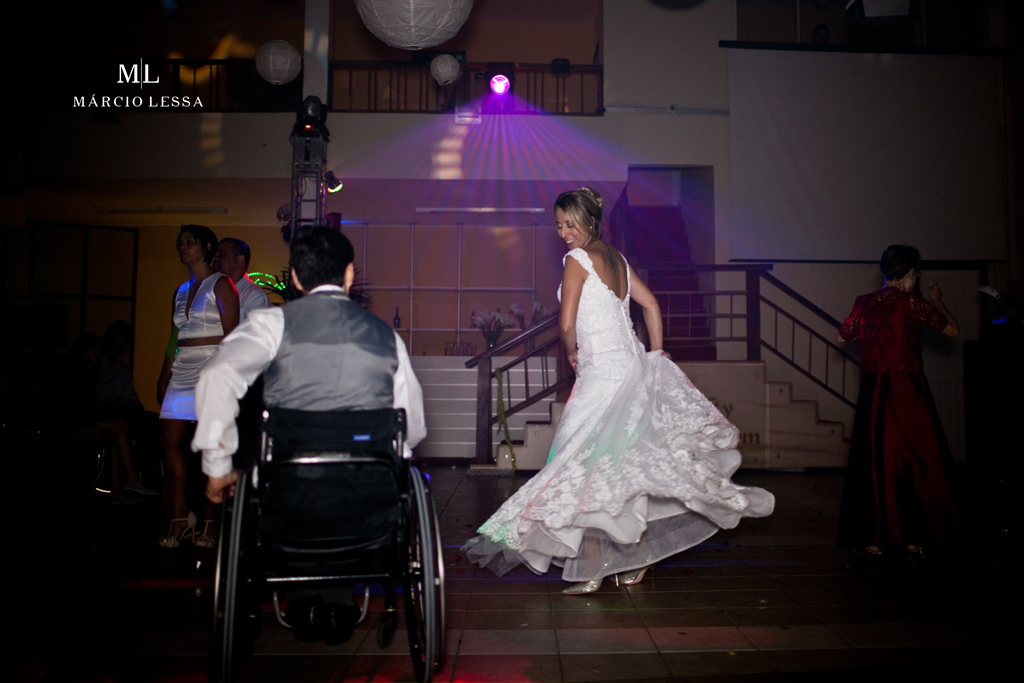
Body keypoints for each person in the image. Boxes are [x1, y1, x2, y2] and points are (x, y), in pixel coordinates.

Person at [462, 188, 774, 594]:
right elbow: (652, 305)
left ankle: (593, 567)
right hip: (631, 369)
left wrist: (572, 353)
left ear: (590, 221)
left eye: (570, 224)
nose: (563, 232)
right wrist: (655, 355)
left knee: (581, 466)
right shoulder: (618, 259)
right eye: (558, 225)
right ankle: (631, 559)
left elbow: (566, 323)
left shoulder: (577, 260)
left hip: (603, 377)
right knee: (618, 468)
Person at [192, 226, 426, 645]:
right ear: (349, 274)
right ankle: (335, 604)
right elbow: (412, 427)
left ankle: (306, 602)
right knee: (346, 487)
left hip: (288, 491)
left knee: (292, 484)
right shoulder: (385, 337)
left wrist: (218, 464)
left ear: (296, 278)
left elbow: (216, 377)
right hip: (365, 498)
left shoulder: (271, 324)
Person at [835, 244, 961, 555]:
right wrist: (938, 300)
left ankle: (874, 536)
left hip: (874, 389)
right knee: (916, 459)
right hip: (907, 389)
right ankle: (912, 535)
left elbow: (842, 335)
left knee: (876, 459)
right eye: (915, 274)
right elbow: (953, 330)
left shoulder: (864, 302)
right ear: (909, 274)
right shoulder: (914, 303)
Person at [157, 225, 239, 547]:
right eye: (180, 243)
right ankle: (181, 515)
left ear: (206, 247)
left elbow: (232, 334)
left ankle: (211, 520)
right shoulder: (180, 291)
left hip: (211, 368)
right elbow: (174, 337)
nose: (183, 247)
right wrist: (164, 374)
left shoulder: (221, 284)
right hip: (182, 372)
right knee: (168, 442)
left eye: (189, 242)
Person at [215, 237, 270, 320]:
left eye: (221, 254)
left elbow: (256, 328)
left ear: (239, 260)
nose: (215, 258)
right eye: (215, 255)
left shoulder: (255, 296)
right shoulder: (213, 289)